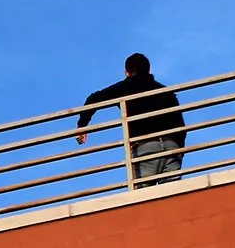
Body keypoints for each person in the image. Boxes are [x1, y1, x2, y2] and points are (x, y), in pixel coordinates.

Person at [76, 54, 188, 186]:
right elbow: (181, 125)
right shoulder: (166, 92)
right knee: (171, 199)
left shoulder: (125, 87)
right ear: (149, 70)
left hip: (144, 148)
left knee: (144, 200)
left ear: (127, 72)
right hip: (172, 147)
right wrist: (178, 150)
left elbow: (93, 99)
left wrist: (82, 126)